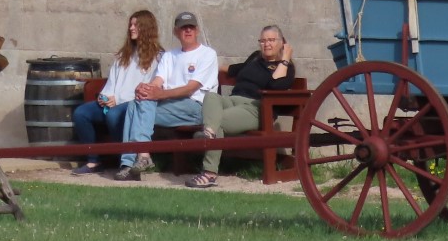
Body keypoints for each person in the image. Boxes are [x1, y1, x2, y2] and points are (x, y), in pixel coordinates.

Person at [186, 24, 297, 188]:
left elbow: (275, 85)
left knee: (219, 122)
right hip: (233, 100)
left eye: (272, 40)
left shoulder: (286, 67)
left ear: (282, 43)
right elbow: (233, 70)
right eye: (263, 40)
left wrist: (286, 57)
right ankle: (209, 133)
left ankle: (209, 173)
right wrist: (202, 69)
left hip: (256, 108)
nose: (267, 44)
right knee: (210, 97)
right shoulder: (255, 58)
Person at [115, 11, 218, 181]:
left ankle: (138, 157)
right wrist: (146, 89)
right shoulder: (170, 55)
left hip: (196, 107)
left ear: (197, 30)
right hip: (170, 106)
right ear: (176, 32)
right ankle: (133, 160)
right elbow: (158, 80)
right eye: (183, 28)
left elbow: (191, 89)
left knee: (142, 105)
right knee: (136, 103)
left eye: (191, 27)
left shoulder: (207, 54)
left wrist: (159, 94)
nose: (188, 31)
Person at [70, 10, 163, 174]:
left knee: (113, 115)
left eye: (136, 25)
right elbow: (112, 81)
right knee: (81, 113)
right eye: (131, 25)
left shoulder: (158, 58)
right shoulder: (123, 55)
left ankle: (126, 158)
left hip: (135, 104)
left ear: (146, 28)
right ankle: (93, 160)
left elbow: (148, 89)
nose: (132, 28)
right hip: (114, 101)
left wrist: (117, 100)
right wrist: (105, 96)